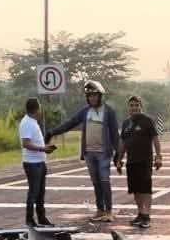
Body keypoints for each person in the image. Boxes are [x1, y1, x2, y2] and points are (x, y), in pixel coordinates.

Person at [48, 80, 120, 223]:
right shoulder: (85, 111)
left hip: (103, 153)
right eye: (89, 96)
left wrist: (118, 153)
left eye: (94, 95)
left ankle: (109, 211)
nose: (92, 98)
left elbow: (114, 133)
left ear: (100, 96)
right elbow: (70, 123)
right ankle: (100, 210)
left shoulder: (109, 111)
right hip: (89, 153)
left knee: (105, 181)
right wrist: (52, 132)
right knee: (96, 182)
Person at [115, 95, 162, 228]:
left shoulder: (147, 121)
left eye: (137, 105)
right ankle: (140, 213)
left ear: (141, 106)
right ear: (128, 108)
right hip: (131, 161)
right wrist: (119, 159)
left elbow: (155, 139)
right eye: (132, 105)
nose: (134, 108)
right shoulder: (126, 123)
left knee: (145, 189)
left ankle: (146, 216)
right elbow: (123, 143)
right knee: (135, 190)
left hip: (145, 161)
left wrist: (159, 156)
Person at [19, 98, 56, 226]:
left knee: (40, 193)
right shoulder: (27, 123)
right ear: (37, 109)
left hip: (39, 161)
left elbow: (33, 142)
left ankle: (42, 218)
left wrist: (45, 148)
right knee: (34, 193)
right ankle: (29, 219)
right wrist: (42, 149)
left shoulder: (32, 122)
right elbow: (26, 144)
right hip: (32, 163)